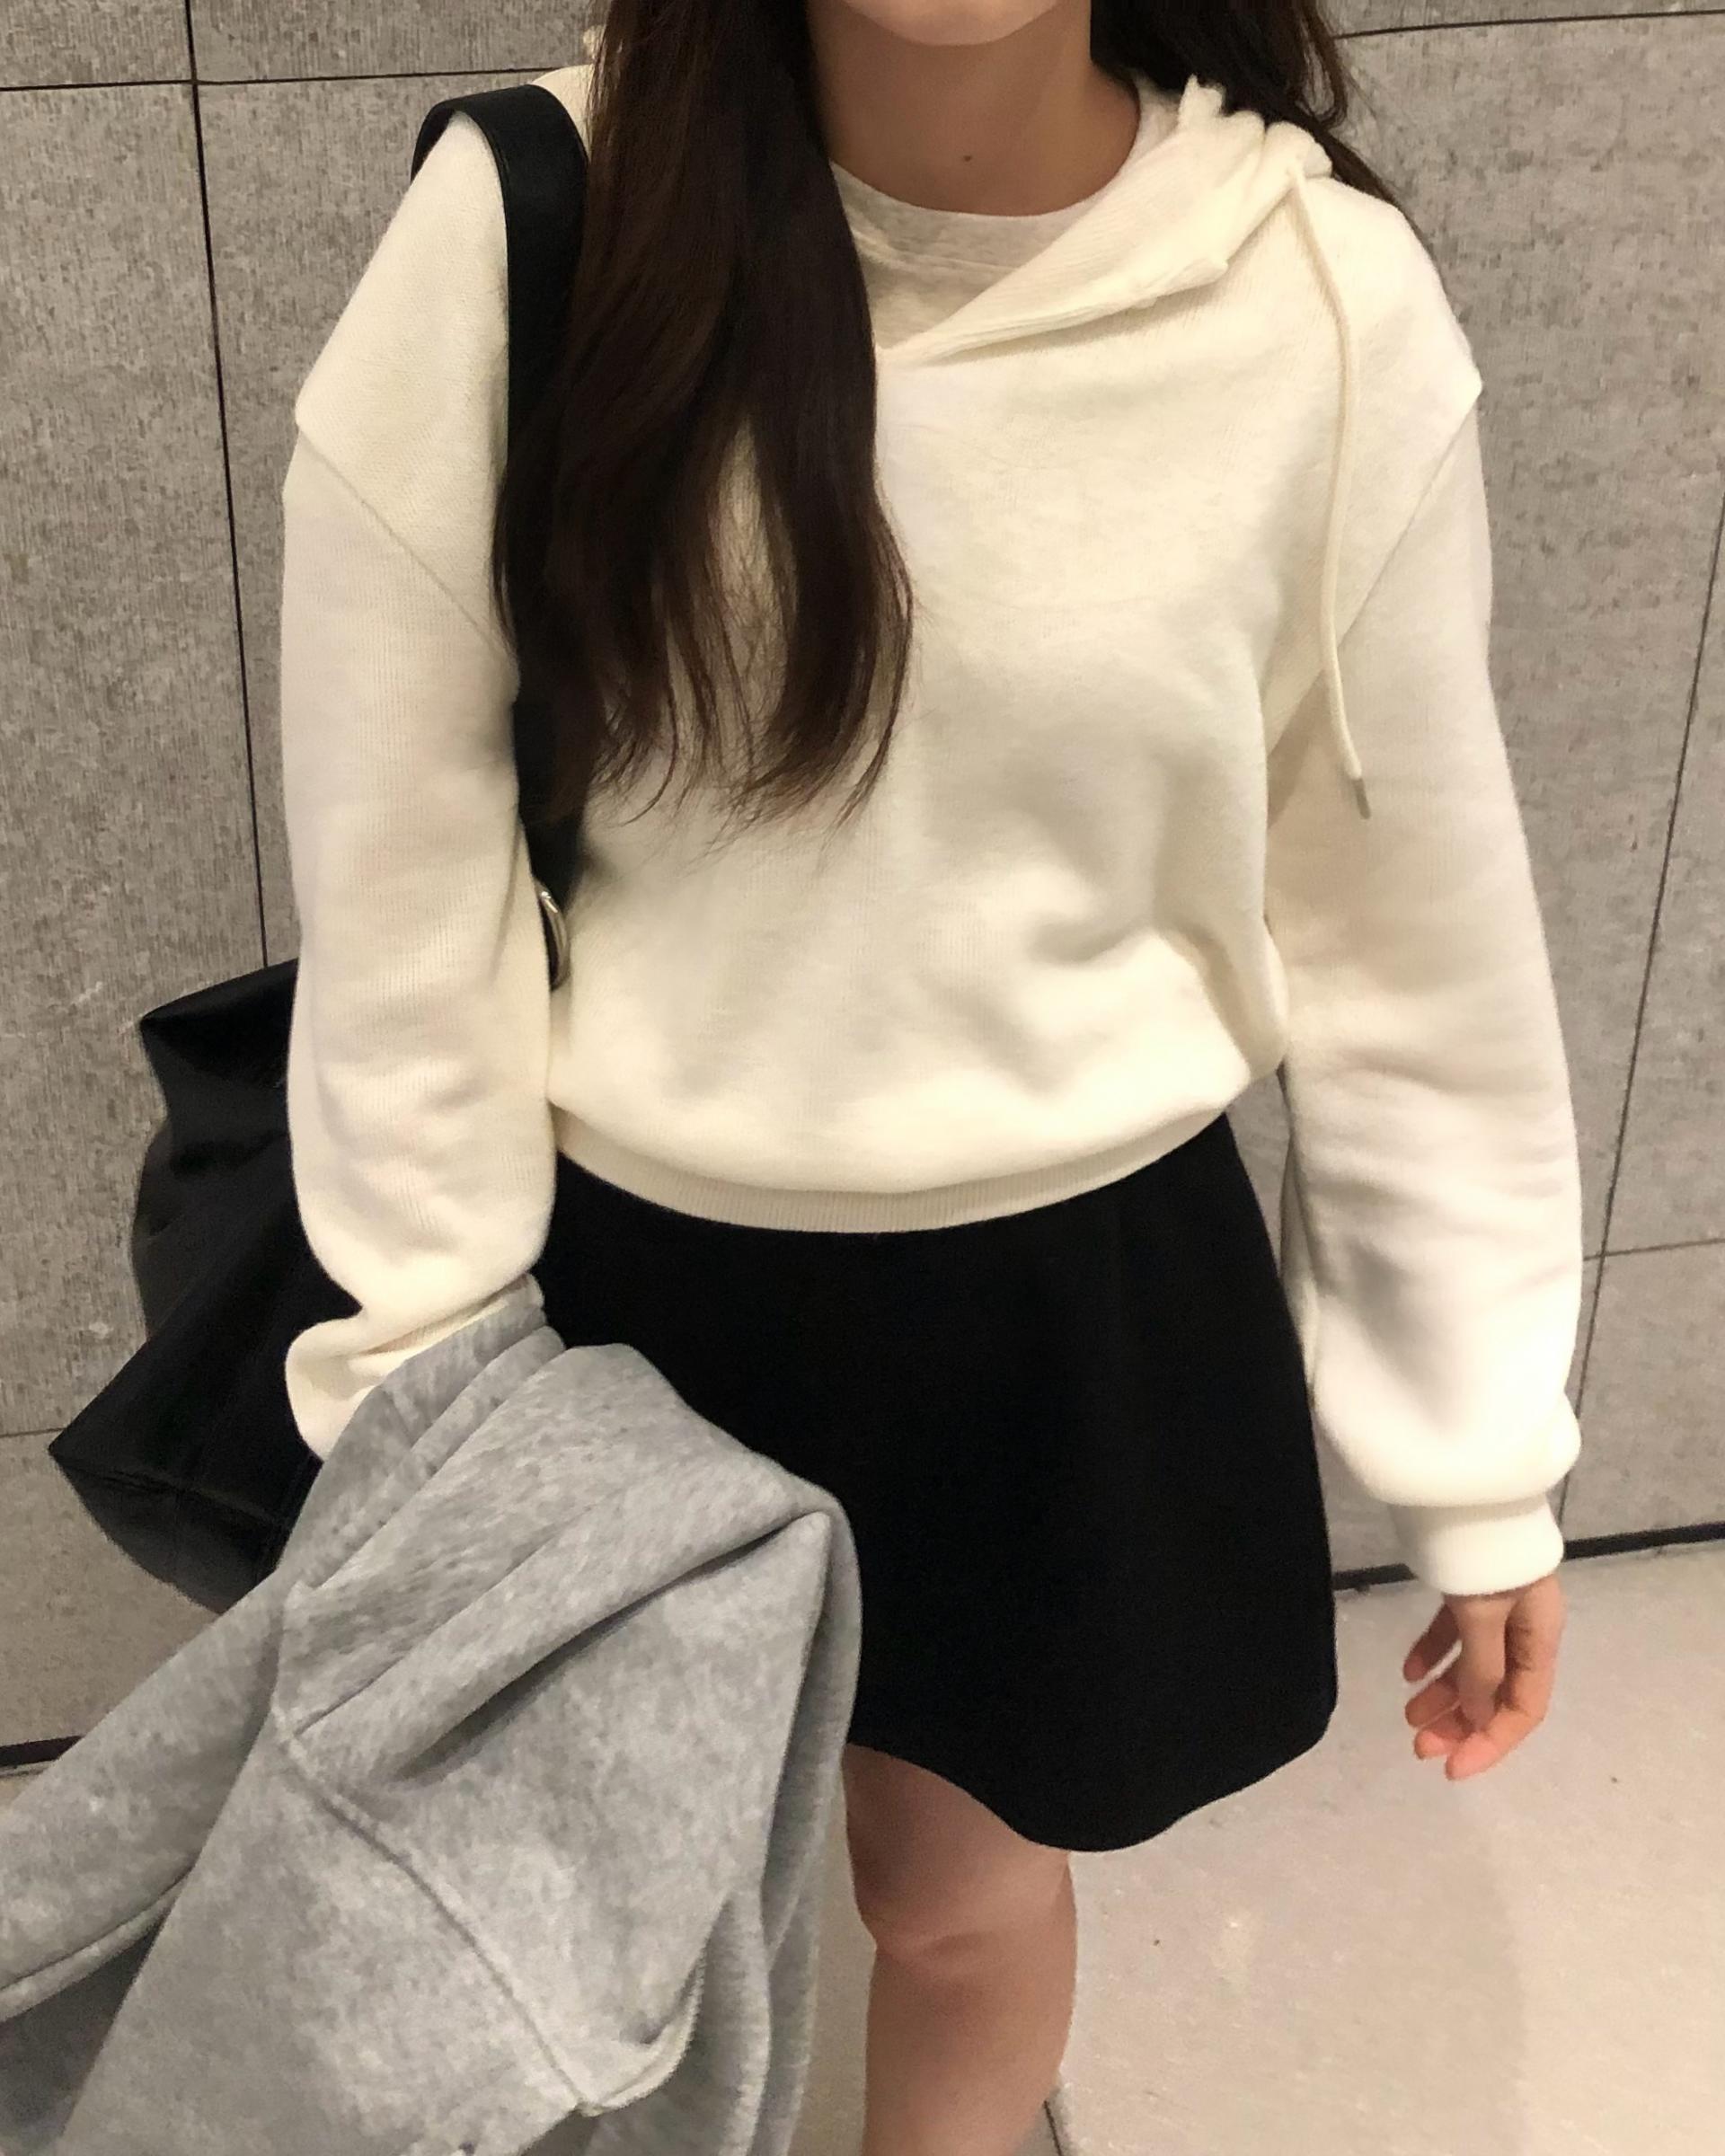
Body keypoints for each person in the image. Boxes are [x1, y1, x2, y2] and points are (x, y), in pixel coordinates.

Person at [275, 3, 1582, 2151]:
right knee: (557, 1942)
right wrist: (423, 1371)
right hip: (620, 1302)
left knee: (957, 1904)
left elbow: (1405, 927)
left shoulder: (1317, 301)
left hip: (1062, 1307)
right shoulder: (542, 224)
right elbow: (401, 872)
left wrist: (1479, 1453)